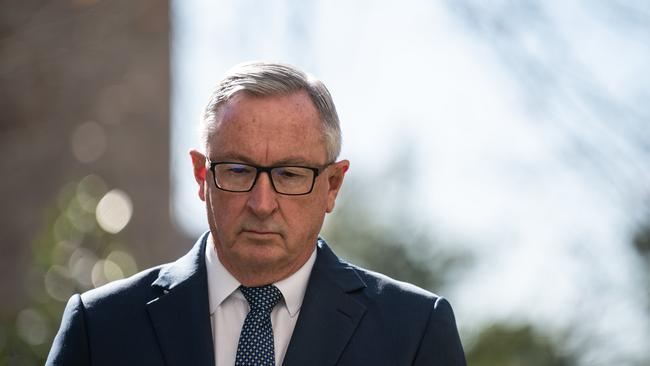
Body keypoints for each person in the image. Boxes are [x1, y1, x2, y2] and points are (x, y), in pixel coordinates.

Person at [46, 61, 467, 366]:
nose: (262, 204)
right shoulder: (100, 326)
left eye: (289, 174)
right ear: (200, 175)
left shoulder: (413, 331)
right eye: (238, 170)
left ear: (332, 185)